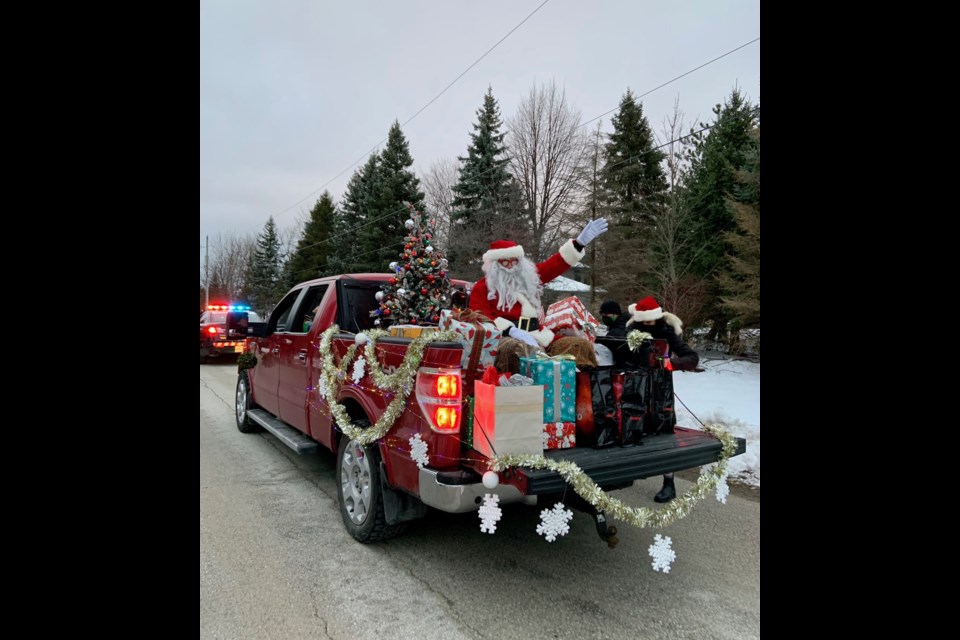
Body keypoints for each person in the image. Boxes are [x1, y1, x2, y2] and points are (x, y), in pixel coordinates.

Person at [606, 295, 699, 503]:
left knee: (663, 434)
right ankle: (633, 469)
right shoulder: (631, 328)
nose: (648, 323)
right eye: (644, 321)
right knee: (635, 429)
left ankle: (669, 482)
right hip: (636, 388)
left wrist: (670, 363)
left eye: (651, 320)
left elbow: (692, 358)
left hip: (661, 391)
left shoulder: (667, 330)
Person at [468, 218, 609, 348]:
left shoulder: (529, 278)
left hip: (538, 335)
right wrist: (510, 330)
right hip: (504, 339)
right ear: (494, 265)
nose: (511, 266)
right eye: (505, 262)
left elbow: (554, 265)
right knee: (516, 352)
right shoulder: (482, 288)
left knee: (579, 347)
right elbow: (480, 318)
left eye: (514, 261)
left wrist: (578, 244)